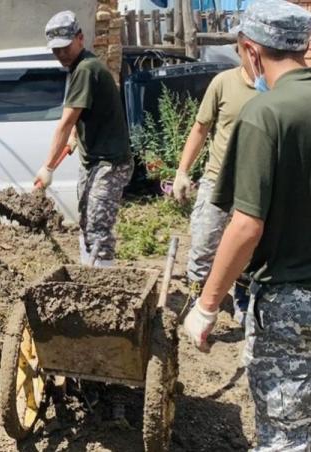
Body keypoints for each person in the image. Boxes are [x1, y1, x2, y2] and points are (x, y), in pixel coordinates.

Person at [183, 1, 311, 449]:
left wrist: (207, 305)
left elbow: (245, 226)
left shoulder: (266, 114)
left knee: (286, 434)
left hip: (290, 301)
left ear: (251, 50)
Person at [34, 10, 133, 267]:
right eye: (55, 50)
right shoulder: (80, 67)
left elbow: (66, 122)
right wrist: (73, 140)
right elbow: (83, 117)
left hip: (110, 163)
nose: (60, 54)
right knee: (87, 220)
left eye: (65, 48)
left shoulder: (86, 69)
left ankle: (102, 284)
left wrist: (47, 167)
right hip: (94, 162)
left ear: (80, 38)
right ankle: (87, 273)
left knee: (98, 226)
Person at [173, 57, 257, 324]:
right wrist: (182, 171)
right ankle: (197, 297)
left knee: (250, 247)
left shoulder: (274, 87)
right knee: (204, 241)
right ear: (242, 48)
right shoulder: (223, 83)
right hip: (217, 179)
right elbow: (200, 128)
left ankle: (243, 300)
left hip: (254, 183)